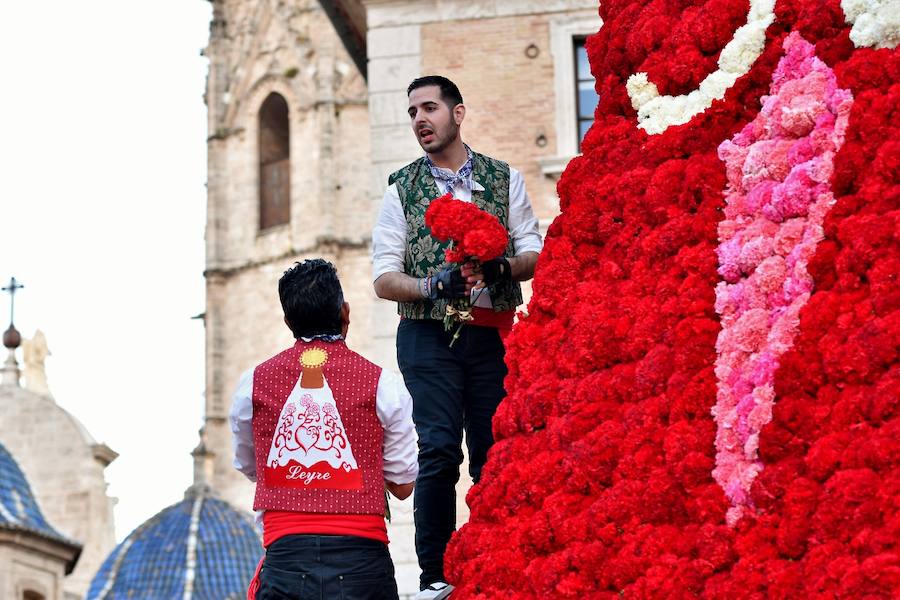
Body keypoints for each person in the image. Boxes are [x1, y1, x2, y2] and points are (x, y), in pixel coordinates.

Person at [372, 75, 542, 599]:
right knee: (440, 449)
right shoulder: (401, 187)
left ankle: (499, 560)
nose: (420, 120)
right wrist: (430, 284)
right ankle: (436, 577)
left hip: (493, 333)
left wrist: (500, 268)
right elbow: (383, 278)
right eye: (412, 113)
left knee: (494, 448)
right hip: (426, 335)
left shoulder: (503, 177)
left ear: (458, 113)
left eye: (429, 108)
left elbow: (534, 253)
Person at [230, 259, 418, 600]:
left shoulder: (252, 384)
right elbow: (404, 484)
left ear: (288, 321)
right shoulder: (383, 385)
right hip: (362, 566)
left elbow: (250, 466)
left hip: (286, 562)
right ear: (345, 312)